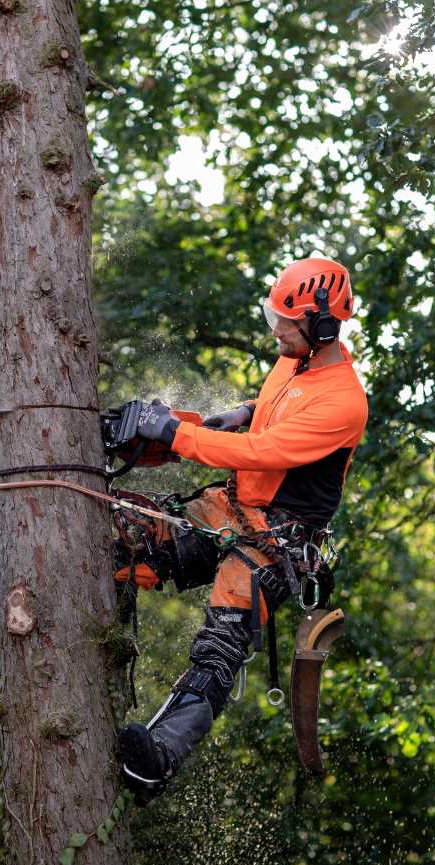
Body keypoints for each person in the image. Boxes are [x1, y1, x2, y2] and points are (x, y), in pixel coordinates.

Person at [116, 256, 368, 802]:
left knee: (220, 646)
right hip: (228, 509)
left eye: (287, 321)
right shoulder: (295, 362)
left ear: (323, 327)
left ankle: (158, 760)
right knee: (132, 547)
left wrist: (177, 433)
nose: (276, 329)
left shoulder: (345, 402)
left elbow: (263, 450)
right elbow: (270, 412)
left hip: (276, 542)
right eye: (274, 315)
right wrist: (238, 411)